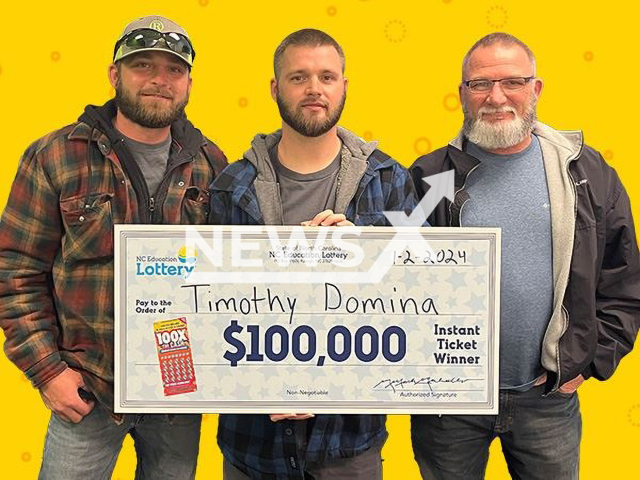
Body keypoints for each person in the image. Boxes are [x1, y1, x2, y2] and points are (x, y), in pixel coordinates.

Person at [0, 15, 227, 479]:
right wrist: (48, 372)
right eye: (143, 65)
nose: (159, 81)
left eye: (174, 70)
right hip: (87, 391)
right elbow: (15, 270)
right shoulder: (56, 155)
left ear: (188, 83)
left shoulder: (211, 164)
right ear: (114, 74)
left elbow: (233, 274)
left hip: (177, 390)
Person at [409, 32, 640, 480]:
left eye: (512, 82)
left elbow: (624, 276)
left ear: (536, 89)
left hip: (547, 399)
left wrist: (588, 363)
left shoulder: (586, 173)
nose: (496, 97)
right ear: (462, 94)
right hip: (448, 402)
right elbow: (393, 270)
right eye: (480, 84)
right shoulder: (430, 176)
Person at [209, 28, 417, 479]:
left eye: (326, 76)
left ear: (344, 86)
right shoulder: (232, 185)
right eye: (298, 77)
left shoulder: (389, 181)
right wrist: (263, 387)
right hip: (253, 441)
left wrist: (361, 250)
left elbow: (414, 305)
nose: (314, 89)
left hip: (348, 441)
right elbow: (208, 306)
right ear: (275, 88)